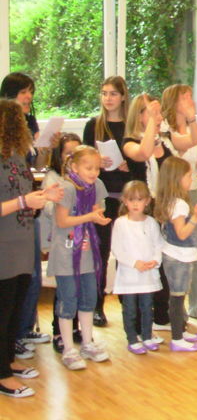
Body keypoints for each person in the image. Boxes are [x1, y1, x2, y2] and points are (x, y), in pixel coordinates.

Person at [0, 100, 62, 398]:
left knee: (15, 307)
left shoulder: (16, 156)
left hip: (22, 240)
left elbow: (24, 192)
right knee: (2, 310)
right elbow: (14, 201)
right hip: (4, 244)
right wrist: (24, 202)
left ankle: (8, 361)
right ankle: (1, 374)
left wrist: (42, 195)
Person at [1, 73, 54, 352]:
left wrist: (46, 149)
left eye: (30, 92)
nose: (28, 97)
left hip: (24, 223)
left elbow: (34, 170)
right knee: (8, 293)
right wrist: (24, 201)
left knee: (27, 280)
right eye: (23, 91)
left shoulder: (22, 144)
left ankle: (20, 335)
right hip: (7, 231)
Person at [48, 145, 112, 370]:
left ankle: (87, 343)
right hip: (66, 254)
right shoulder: (66, 188)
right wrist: (90, 217)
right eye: (88, 168)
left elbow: (97, 211)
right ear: (74, 167)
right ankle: (68, 348)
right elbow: (62, 221)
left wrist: (98, 218)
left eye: (97, 168)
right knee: (68, 301)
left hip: (87, 251)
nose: (94, 173)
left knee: (88, 298)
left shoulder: (97, 185)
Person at [161, 84, 197, 321]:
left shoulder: (193, 128)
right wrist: (194, 122)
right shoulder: (166, 129)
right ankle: (176, 311)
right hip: (173, 196)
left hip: (193, 191)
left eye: (191, 97)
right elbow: (182, 150)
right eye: (185, 97)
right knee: (176, 253)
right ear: (173, 101)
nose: (190, 101)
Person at [82, 75, 131, 327]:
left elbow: (141, 164)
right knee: (100, 253)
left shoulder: (132, 126)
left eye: (113, 93)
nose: (108, 98)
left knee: (127, 253)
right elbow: (81, 161)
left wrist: (128, 165)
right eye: (104, 93)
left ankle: (129, 304)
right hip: (103, 197)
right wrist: (97, 162)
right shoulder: (94, 125)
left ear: (123, 97)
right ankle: (97, 305)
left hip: (127, 197)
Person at [123, 93, 172, 329]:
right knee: (143, 264)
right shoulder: (129, 141)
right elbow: (143, 153)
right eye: (152, 113)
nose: (158, 117)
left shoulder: (163, 141)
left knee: (162, 264)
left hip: (162, 208)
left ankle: (162, 315)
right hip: (140, 211)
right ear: (139, 115)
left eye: (159, 113)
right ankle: (138, 318)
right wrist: (153, 123)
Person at [154, 157, 197, 351]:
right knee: (177, 298)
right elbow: (182, 233)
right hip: (179, 257)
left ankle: (181, 331)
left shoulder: (171, 201)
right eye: (188, 176)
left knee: (178, 296)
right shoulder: (179, 204)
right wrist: (196, 217)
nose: (191, 179)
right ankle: (177, 338)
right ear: (177, 179)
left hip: (175, 256)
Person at [40, 133, 81, 354]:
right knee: (64, 289)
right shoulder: (54, 177)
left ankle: (75, 327)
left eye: (76, 153)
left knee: (79, 285)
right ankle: (59, 331)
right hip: (61, 240)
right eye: (68, 153)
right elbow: (49, 208)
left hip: (79, 240)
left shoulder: (83, 178)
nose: (71, 158)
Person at [110, 181, 163, 354]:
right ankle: (132, 339)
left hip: (147, 274)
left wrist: (155, 260)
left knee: (147, 307)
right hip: (129, 276)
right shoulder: (120, 223)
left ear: (147, 201)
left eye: (139, 200)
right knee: (130, 309)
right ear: (125, 201)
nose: (135, 204)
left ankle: (147, 336)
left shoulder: (151, 223)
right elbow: (117, 249)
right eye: (131, 199)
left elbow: (158, 245)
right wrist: (134, 263)